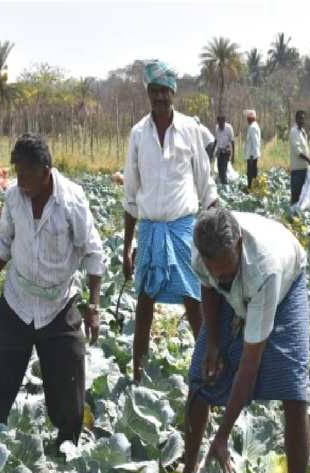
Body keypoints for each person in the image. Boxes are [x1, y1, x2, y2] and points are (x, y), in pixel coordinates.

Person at [0, 133, 104, 448]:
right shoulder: (15, 197)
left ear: (45, 170)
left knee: (68, 381)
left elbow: (93, 252)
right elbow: (4, 243)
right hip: (17, 298)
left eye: (26, 175)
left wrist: (93, 307)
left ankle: (67, 442)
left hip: (58, 303)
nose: (20, 181)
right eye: (17, 174)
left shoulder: (72, 200)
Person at [184, 208, 310, 473]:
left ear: (239, 244)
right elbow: (209, 286)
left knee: (292, 390)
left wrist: (223, 435)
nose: (222, 277)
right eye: (217, 272)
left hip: (286, 281)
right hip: (235, 290)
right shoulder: (201, 252)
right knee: (200, 376)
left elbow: (249, 366)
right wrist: (214, 341)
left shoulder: (265, 269)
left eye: (227, 271)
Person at [123, 59, 218, 383]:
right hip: (150, 230)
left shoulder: (190, 129)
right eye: (154, 91)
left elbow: (206, 186)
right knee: (144, 304)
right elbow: (131, 194)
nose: (160, 97)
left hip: (183, 229)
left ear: (173, 93)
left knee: (194, 302)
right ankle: (137, 373)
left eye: (165, 91)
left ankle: (209, 368)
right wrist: (127, 247)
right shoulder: (138, 134)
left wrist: (217, 236)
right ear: (148, 94)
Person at [289, 110, 310, 205]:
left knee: (303, 195)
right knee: (296, 194)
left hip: (304, 168)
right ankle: (291, 216)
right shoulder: (294, 131)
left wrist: (309, 161)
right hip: (297, 169)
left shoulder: (303, 132)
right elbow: (297, 151)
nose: (302, 121)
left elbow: (305, 149)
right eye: (300, 119)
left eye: (303, 119)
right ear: (296, 119)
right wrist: (308, 159)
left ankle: (298, 215)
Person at [243, 110, 261, 191]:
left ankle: (251, 189)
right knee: (252, 173)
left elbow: (255, 142)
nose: (247, 120)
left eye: (248, 118)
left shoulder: (253, 127)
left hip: (252, 155)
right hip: (252, 155)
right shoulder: (253, 126)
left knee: (251, 174)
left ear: (251, 119)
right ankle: (252, 188)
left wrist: (252, 156)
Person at [214, 116, 235, 185]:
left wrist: (233, 156)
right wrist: (213, 150)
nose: (220, 126)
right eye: (219, 124)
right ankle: (222, 187)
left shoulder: (228, 128)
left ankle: (226, 187)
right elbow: (216, 140)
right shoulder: (217, 128)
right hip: (219, 152)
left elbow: (232, 142)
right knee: (219, 171)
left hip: (226, 152)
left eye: (221, 124)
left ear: (224, 122)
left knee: (223, 171)